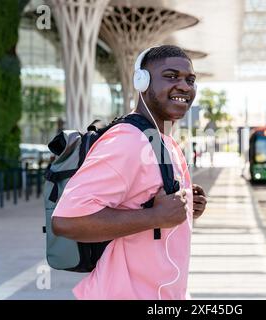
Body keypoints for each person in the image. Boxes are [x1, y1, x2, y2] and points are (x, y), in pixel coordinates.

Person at [51, 45, 207, 300]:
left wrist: (187, 206)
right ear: (141, 81)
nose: (185, 86)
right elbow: (66, 220)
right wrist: (156, 216)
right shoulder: (127, 141)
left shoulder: (166, 141)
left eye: (190, 80)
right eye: (171, 76)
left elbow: (157, 209)